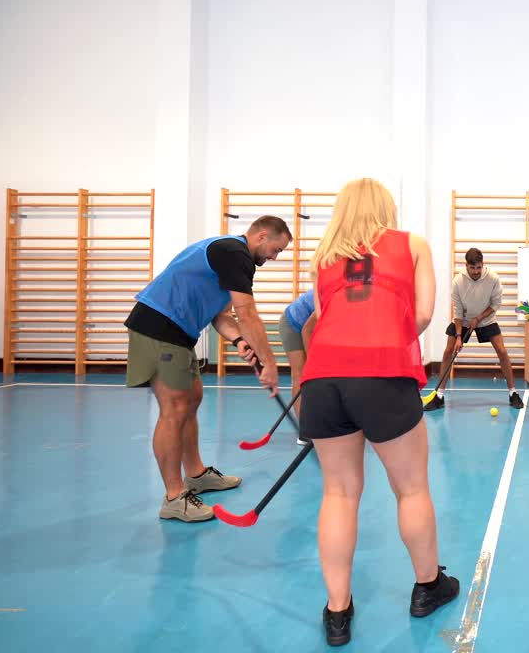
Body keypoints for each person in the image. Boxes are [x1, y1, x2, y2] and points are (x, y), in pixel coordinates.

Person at [297, 178, 459, 647]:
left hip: (323, 376)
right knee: (410, 489)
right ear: (386, 208)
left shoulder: (325, 257)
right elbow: (425, 313)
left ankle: (337, 612)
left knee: (339, 493)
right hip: (384, 371)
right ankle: (428, 587)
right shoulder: (412, 245)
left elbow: (325, 315)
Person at [125, 216, 291, 523]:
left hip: (179, 333)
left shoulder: (233, 258)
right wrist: (269, 363)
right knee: (173, 409)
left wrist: (240, 340)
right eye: (276, 249)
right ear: (262, 236)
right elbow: (247, 313)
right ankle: (174, 498)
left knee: (192, 399)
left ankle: (197, 475)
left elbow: (222, 316)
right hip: (157, 328)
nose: (275, 257)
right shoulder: (234, 253)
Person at [423, 248, 524, 412]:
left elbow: (495, 304)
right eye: (472, 268)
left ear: (483, 265)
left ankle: (513, 393)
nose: (476, 271)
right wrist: (458, 336)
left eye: (479, 267)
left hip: (487, 319)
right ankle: (439, 396)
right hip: (464, 320)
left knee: (502, 351)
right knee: (449, 351)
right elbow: (457, 312)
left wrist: (479, 318)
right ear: (466, 266)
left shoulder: (493, 278)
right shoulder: (458, 282)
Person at [278, 289, 318, 446]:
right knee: (301, 374)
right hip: (293, 324)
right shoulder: (334, 293)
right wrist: (313, 360)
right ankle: (305, 431)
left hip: (312, 328)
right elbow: (307, 329)